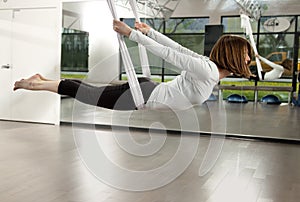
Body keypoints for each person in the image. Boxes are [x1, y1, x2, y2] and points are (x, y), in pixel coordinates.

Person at [13, 20, 253, 110]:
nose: (248, 60)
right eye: (246, 55)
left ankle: (41, 80)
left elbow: (177, 50)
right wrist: (133, 34)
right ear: (232, 55)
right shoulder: (208, 70)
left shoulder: (207, 67)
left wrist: (152, 32)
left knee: (91, 93)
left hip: (147, 89)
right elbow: (171, 54)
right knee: (87, 95)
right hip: (145, 95)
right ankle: (36, 84)